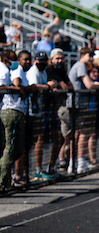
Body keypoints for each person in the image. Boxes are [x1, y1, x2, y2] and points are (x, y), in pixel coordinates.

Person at [23, 51, 56, 180]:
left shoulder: (43, 72)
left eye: (44, 60)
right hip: (32, 110)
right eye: (39, 61)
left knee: (38, 140)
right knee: (35, 140)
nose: (42, 63)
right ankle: (31, 170)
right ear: (34, 61)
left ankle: (36, 169)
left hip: (39, 110)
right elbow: (33, 86)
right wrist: (47, 86)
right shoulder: (33, 72)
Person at [0, 48, 29, 191]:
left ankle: (5, 181)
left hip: (12, 110)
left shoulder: (9, 70)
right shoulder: (5, 71)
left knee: (15, 149)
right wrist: (18, 89)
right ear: (6, 60)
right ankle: (2, 182)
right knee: (10, 148)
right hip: (10, 110)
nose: (16, 62)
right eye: (14, 59)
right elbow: (5, 86)